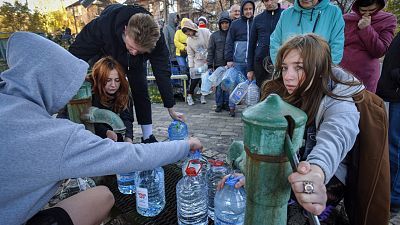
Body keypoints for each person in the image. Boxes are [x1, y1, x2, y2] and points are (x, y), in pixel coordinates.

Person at [0, 31, 203, 225]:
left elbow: (126, 123)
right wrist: (185, 145)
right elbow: (133, 157)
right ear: (51, 83)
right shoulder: (52, 136)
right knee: (103, 196)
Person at [220, 34, 364, 221]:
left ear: (319, 69)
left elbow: (336, 138)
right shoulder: (282, 91)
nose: (288, 76)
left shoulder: (339, 102)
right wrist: (255, 173)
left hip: (328, 179)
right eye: (285, 67)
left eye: (299, 68)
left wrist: (315, 174)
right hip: (291, 164)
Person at [69, 4, 184, 144]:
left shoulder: (155, 38)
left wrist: (170, 106)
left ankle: (147, 136)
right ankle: (102, 131)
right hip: (105, 53)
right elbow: (76, 54)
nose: (134, 52)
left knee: (140, 89)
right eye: (132, 47)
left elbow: (162, 71)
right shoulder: (102, 26)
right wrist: (72, 80)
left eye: (140, 50)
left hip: (134, 64)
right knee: (102, 87)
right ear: (125, 30)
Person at [340, 0, 397, 93]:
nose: (367, 14)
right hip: (342, 72)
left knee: (364, 105)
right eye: (363, 10)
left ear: (379, 5)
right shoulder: (345, 19)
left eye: (371, 10)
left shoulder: (387, 20)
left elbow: (380, 51)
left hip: (366, 75)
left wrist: (366, 29)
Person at [269, 0, 345, 65]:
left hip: (318, 76)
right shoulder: (286, 14)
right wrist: (282, 68)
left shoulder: (334, 13)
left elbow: (336, 48)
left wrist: (323, 73)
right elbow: (275, 44)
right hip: (289, 74)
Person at [376, 32, 400, 218]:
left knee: (395, 147)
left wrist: (395, 75)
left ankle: (393, 198)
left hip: (397, 95)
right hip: (392, 93)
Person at [89, 56, 134, 143]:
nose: (113, 85)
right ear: (99, 79)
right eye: (108, 80)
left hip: (116, 137)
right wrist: (106, 132)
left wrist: (128, 137)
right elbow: (88, 121)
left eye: (117, 80)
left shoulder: (123, 92)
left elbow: (127, 118)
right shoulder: (91, 93)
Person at [225, 0, 255, 116]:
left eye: (250, 9)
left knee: (250, 87)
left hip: (251, 62)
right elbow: (229, 42)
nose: (248, 11)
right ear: (242, 10)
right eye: (246, 9)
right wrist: (229, 58)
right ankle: (232, 107)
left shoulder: (256, 22)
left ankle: (249, 109)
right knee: (234, 85)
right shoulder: (235, 24)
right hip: (237, 61)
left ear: (253, 10)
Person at [247, 0, 283, 87]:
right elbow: (251, 45)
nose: (269, 3)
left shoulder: (285, 15)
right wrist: (250, 69)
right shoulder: (258, 19)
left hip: (280, 62)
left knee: (279, 92)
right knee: (262, 92)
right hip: (260, 64)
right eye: (266, 0)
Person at [182, 19, 211, 106]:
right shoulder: (189, 40)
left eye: (188, 33)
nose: (188, 35)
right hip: (197, 60)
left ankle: (203, 95)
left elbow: (212, 44)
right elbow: (190, 54)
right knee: (195, 78)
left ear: (191, 29)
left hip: (207, 58)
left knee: (205, 78)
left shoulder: (205, 32)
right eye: (186, 34)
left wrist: (209, 57)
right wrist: (191, 67)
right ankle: (190, 95)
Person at [207, 12, 232, 112]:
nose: (225, 25)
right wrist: (210, 64)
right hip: (218, 64)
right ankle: (219, 104)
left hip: (229, 64)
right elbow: (210, 50)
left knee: (226, 85)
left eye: (226, 23)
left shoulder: (232, 34)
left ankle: (226, 103)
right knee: (218, 86)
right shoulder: (214, 35)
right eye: (223, 23)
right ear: (220, 24)